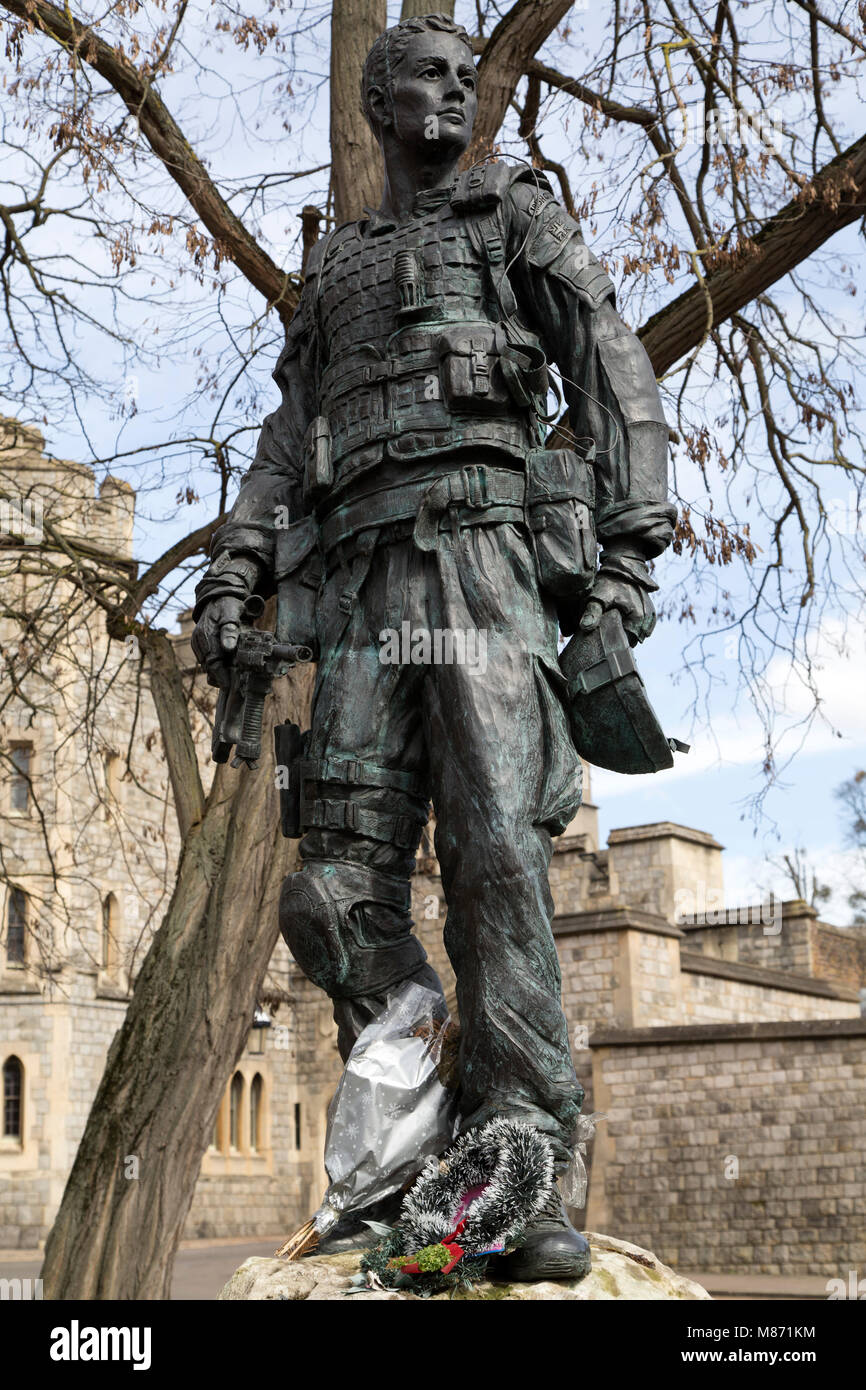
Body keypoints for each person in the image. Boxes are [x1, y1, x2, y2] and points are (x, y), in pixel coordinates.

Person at [192, 12, 675, 1281]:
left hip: (479, 569)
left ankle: (519, 1147)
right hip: (357, 596)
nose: (458, 90)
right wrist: (238, 567)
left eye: (470, 74)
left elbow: (611, 366)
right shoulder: (334, 271)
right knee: (332, 892)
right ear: (377, 101)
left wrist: (623, 563)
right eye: (428, 73)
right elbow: (288, 442)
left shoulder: (513, 217)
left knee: (493, 857)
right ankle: (407, 1147)